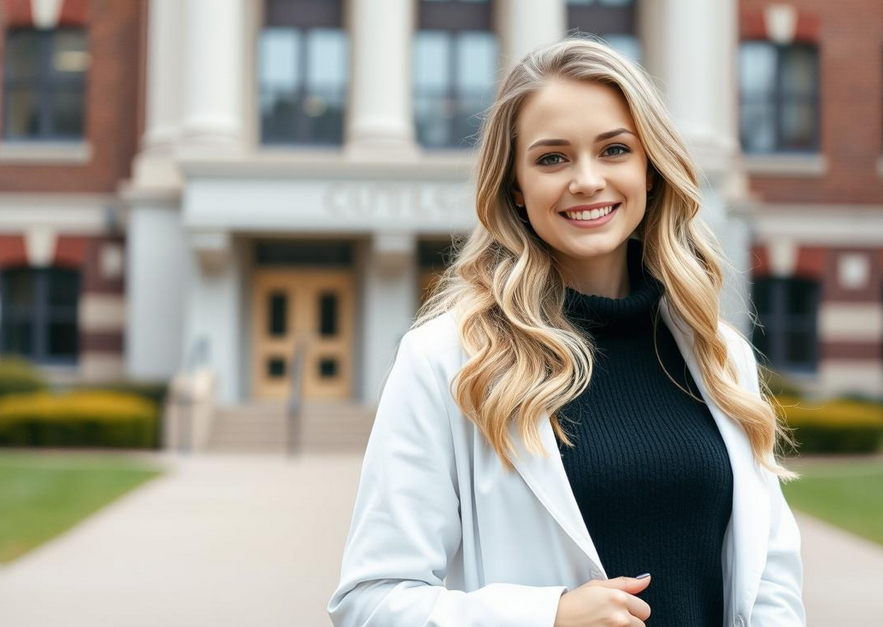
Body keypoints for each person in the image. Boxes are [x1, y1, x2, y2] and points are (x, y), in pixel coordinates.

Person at [327, 36, 805, 627]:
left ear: (650, 169)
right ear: (516, 189)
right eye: (552, 158)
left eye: (614, 150)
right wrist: (546, 617)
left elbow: (771, 581)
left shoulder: (720, 355)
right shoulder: (446, 359)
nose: (586, 180)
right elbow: (370, 601)